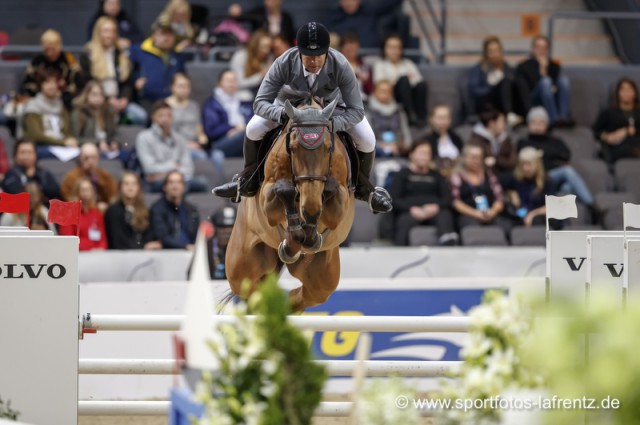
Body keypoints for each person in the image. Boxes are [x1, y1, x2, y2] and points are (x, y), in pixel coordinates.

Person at [213, 22, 393, 214]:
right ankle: (248, 180)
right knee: (252, 129)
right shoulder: (284, 62)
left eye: (319, 56)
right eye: (308, 57)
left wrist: (333, 124)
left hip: (332, 110)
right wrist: (280, 114)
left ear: (327, 51)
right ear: (299, 52)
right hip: (287, 107)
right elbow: (260, 103)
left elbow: (357, 110)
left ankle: (365, 189)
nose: (314, 62)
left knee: (368, 139)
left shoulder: (341, 64)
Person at [517, 106, 593, 206]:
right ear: (529, 124)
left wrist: (544, 153)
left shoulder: (554, 141)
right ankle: (591, 203)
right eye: (534, 122)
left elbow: (566, 154)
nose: (537, 126)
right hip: (536, 177)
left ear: (547, 124)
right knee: (567, 171)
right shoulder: (524, 142)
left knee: (567, 187)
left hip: (554, 176)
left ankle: (565, 217)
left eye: (541, 122)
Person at [79, 16, 147, 125]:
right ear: (98, 32)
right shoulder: (88, 53)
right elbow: (86, 81)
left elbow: (127, 82)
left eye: (112, 31)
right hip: (97, 100)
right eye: (106, 31)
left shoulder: (120, 54)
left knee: (140, 116)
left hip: (119, 100)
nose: (109, 35)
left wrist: (124, 99)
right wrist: (106, 99)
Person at [389, 141, 458, 246]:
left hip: (434, 212)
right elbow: (394, 199)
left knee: (445, 215)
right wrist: (411, 209)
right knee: (403, 221)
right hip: (409, 212)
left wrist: (436, 207)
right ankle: (399, 251)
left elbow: (447, 198)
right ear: (412, 155)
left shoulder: (436, 175)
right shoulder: (402, 175)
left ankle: (448, 245)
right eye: (421, 153)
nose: (424, 157)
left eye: (427, 153)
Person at [135, 101, 207, 193]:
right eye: (161, 115)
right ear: (153, 117)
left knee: (202, 183)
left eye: (169, 115)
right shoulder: (144, 137)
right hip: (157, 183)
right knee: (178, 187)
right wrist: (174, 165)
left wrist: (168, 174)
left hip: (177, 179)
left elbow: (188, 168)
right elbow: (149, 169)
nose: (165, 119)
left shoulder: (179, 138)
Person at [450, 144, 511, 235]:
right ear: (464, 158)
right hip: (468, 214)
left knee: (506, 227)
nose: (476, 161)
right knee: (473, 230)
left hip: (490, 212)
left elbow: (499, 198)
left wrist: (492, 211)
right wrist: (476, 213)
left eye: (479, 158)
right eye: (473, 158)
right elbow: (455, 202)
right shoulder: (457, 177)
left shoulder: (489, 175)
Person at [129, 18, 186, 111]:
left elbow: (181, 76)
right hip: (145, 100)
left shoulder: (178, 55)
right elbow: (128, 73)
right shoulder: (139, 51)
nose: (167, 38)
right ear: (154, 35)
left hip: (171, 101)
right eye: (163, 33)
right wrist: (136, 79)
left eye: (170, 34)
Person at [373, 34, 428, 127]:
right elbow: (381, 85)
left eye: (397, 47)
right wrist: (401, 79)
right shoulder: (380, 65)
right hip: (392, 96)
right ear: (385, 49)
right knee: (403, 80)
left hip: (410, 95)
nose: (394, 51)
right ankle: (410, 115)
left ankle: (421, 117)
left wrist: (395, 79)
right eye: (391, 47)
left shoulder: (408, 63)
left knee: (421, 86)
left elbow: (418, 80)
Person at [516, 35, 572, 126]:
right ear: (533, 49)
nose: (541, 50)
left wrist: (546, 70)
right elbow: (527, 88)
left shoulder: (554, 66)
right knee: (545, 81)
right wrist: (542, 70)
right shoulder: (524, 66)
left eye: (543, 48)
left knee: (564, 80)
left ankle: (563, 117)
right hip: (533, 99)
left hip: (552, 96)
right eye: (538, 47)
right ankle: (553, 119)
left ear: (547, 50)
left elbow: (554, 86)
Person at [468, 36, 523, 126]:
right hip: (486, 104)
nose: (495, 54)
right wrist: (491, 87)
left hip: (503, 105)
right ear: (486, 53)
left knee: (516, 80)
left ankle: (522, 114)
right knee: (504, 81)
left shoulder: (508, 69)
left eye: (497, 50)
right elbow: (474, 90)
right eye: (491, 51)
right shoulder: (479, 69)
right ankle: (509, 115)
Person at [20, 29, 81, 109]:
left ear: (59, 45)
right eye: (47, 49)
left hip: (65, 101)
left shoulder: (69, 60)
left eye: (53, 48)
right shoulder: (36, 62)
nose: (50, 53)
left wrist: (61, 93)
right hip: (39, 100)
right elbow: (27, 85)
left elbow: (77, 84)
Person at [23, 69, 79, 154]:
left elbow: (67, 131)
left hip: (62, 146)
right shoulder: (33, 106)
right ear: (40, 85)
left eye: (54, 83)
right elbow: (35, 136)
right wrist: (63, 142)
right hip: (41, 147)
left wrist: (70, 140)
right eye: (47, 83)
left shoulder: (61, 106)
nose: (51, 86)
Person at [202, 69, 253, 158]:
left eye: (234, 80)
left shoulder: (244, 101)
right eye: (228, 80)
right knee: (246, 135)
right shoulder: (212, 104)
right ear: (219, 83)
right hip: (220, 142)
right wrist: (232, 128)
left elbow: (252, 120)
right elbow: (211, 131)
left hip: (241, 137)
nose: (231, 83)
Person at [105, 171, 162, 249]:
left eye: (134, 184)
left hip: (140, 254)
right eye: (126, 184)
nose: (130, 187)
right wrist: (143, 247)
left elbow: (148, 235)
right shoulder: (113, 211)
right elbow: (118, 240)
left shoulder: (144, 210)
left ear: (138, 187)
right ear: (120, 187)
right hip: (120, 255)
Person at [593, 77, 640, 165]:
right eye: (623, 89)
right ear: (618, 93)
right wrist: (607, 137)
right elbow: (596, 131)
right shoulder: (609, 112)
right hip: (617, 146)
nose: (626, 92)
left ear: (635, 93)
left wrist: (627, 131)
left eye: (629, 89)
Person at [502, 147, 553, 227]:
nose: (525, 168)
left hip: (538, 216)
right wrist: (512, 194)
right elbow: (507, 188)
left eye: (529, 164)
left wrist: (533, 214)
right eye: (522, 164)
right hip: (519, 215)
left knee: (537, 221)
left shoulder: (546, 180)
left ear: (537, 164)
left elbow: (551, 206)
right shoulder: (515, 177)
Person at [150, 170, 199, 250]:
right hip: (168, 253)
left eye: (178, 182)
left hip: (191, 252)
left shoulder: (191, 210)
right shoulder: (157, 209)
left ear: (183, 187)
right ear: (164, 187)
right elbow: (162, 236)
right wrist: (184, 246)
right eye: (171, 182)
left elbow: (195, 234)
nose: (175, 186)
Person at [60, 143, 117, 211]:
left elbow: (113, 197)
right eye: (86, 158)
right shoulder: (71, 177)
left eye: (93, 158)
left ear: (98, 158)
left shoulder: (105, 177)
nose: (90, 161)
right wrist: (95, 207)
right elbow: (69, 199)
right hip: (81, 213)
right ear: (80, 159)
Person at [165, 73, 209, 160]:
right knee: (201, 156)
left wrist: (202, 138)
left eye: (187, 86)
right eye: (180, 86)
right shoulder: (165, 107)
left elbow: (199, 129)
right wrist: (186, 145)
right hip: (175, 146)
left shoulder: (194, 106)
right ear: (172, 87)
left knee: (218, 155)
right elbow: (165, 134)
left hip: (195, 144)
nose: (184, 89)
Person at [59, 177, 108, 250]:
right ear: (77, 192)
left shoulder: (97, 214)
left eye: (88, 189)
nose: (86, 193)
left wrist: (100, 248)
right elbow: (67, 241)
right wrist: (90, 247)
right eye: (83, 190)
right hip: (77, 254)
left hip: (96, 255)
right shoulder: (69, 214)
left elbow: (103, 240)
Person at [326, 0, 400, 49]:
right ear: (340, 2)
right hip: (344, 60)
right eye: (346, 0)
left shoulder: (370, 11)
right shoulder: (333, 19)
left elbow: (390, 3)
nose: (349, 3)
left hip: (371, 57)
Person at [71, 81, 119, 153]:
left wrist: (115, 142)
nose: (98, 98)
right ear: (86, 95)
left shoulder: (108, 112)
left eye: (101, 95)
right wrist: (97, 143)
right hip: (86, 151)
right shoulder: (79, 113)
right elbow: (75, 139)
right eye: (94, 94)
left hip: (107, 150)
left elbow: (115, 133)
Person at [366, 80, 411, 158]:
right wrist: (381, 145)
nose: (385, 94)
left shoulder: (399, 111)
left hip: (398, 148)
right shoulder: (368, 111)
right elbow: (366, 136)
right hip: (376, 149)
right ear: (374, 92)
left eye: (388, 91)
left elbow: (406, 132)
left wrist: (402, 145)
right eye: (382, 91)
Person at [468, 105, 516, 177]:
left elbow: (513, 162)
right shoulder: (476, 140)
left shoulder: (506, 139)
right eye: (502, 121)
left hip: (506, 176)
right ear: (492, 123)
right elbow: (478, 163)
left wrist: (496, 161)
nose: (504, 125)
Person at [229, 29, 273, 102]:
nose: (267, 50)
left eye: (269, 47)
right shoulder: (240, 56)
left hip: (260, 93)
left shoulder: (269, 58)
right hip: (242, 93)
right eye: (263, 46)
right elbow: (239, 83)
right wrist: (261, 75)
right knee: (246, 96)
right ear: (255, 45)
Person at [425, 104, 463, 177]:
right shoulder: (426, 140)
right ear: (431, 119)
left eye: (446, 118)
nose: (443, 121)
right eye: (440, 118)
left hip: (457, 175)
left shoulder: (456, 138)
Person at [339, 33, 373, 101]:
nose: (351, 52)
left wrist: (365, 82)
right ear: (341, 49)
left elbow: (371, 90)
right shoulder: (336, 66)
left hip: (363, 100)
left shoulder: (365, 66)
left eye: (353, 50)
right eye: (348, 50)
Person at [207, 206, 237, 279]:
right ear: (215, 229)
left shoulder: (247, 251)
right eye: (222, 227)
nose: (228, 231)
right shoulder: (206, 250)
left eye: (232, 226)